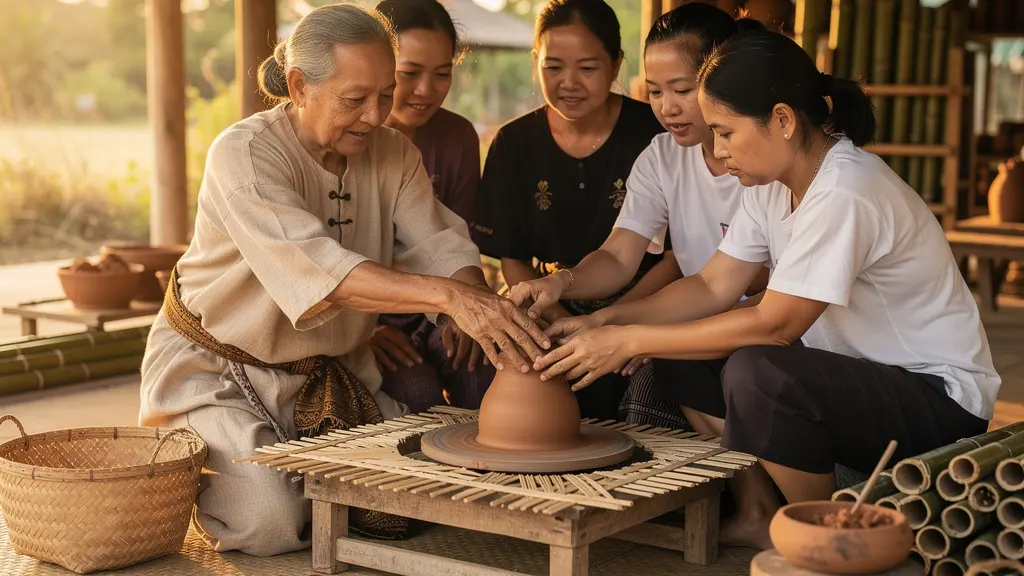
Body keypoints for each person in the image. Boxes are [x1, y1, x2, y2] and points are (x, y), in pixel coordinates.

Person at [532, 30, 999, 549]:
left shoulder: (847, 189)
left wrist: (630, 341)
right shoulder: (772, 186)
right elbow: (712, 285)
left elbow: (776, 324)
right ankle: (758, 511)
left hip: (938, 397)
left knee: (761, 372)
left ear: (781, 120)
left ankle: (821, 535)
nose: (718, 149)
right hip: (859, 380)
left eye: (726, 132)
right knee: (682, 353)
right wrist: (606, 323)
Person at [138, 4, 549, 557]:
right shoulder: (246, 155)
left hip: (334, 372)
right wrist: (449, 298)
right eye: (355, 99)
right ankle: (219, 469)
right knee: (271, 521)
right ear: (301, 86)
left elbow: (439, 243)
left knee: (416, 491)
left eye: (385, 94)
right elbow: (321, 273)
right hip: (220, 372)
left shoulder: (394, 152)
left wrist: (474, 298)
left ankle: (305, 473)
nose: (376, 115)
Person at [509, 4, 768, 430]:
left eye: (682, 90)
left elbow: (767, 295)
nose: (667, 108)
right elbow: (617, 257)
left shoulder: (764, 162)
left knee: (654, 381)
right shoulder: (662, 157)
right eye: (655, 91)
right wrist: (560, 283)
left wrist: (650, 333)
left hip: (757, 332)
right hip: (699, 320)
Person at [472, 0, 678, 420]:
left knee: (639, 388)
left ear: (616, 62)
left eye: (587, 68)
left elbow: (677, 256)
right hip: (549, 302)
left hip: (651, 300)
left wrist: (611, 322)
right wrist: (560, 323)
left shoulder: (656, 135)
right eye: (553, 67)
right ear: (536, 62)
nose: (569, 83)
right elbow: (513, 260)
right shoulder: (514, 144)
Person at [372, 0, 493, 414]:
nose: (426, 91)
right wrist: (360, 331)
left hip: (440, 307)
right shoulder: (349, 136)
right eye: (409, 73)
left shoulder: (457, 137)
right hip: (365, 313)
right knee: (415, 389)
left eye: (442, 74)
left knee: (483, 367)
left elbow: (457, 244)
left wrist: (469, 309)